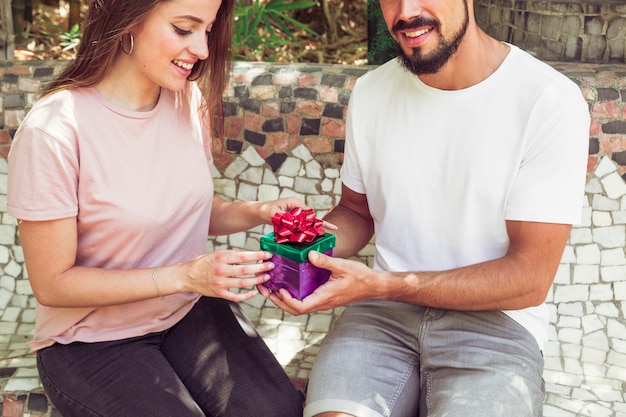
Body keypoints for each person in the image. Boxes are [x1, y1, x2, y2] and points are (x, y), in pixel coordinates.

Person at [259, 0, 590, 416]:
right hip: (380, 319)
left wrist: (381, 284)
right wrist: (297, 248)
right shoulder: (372, 91)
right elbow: (357, 213)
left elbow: (529, 279)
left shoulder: (548, 100)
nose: (406, 11)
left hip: (495, 327)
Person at [7, 1, 306, 416]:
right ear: (127, 21)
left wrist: (259, 210)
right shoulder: (54, 131)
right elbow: (53, 284)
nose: (202, 49)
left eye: (208, 30)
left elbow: (184, 209)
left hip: (188, 311)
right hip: (90, 340)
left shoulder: (187, 100)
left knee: (276, 412)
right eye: (184, 29)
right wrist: (186, 274)